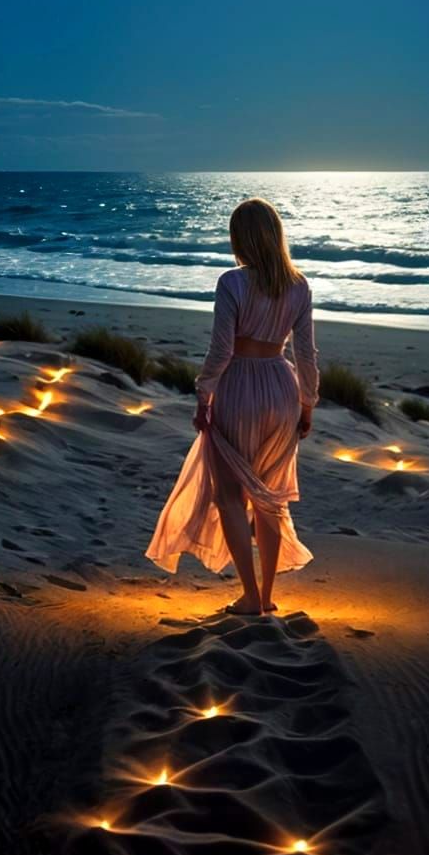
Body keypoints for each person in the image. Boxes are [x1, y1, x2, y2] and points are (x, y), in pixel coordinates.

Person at [146, 196, 319, 615]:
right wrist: (307, 404)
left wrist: (203, 392)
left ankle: (250, 597)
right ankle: (267, 597)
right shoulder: (298, 286)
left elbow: (221, 350)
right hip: (281, 389)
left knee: (229, 497)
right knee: (270, 499)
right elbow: (307, 354)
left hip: (238, 387)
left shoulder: (232, 283)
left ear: (240, 239)